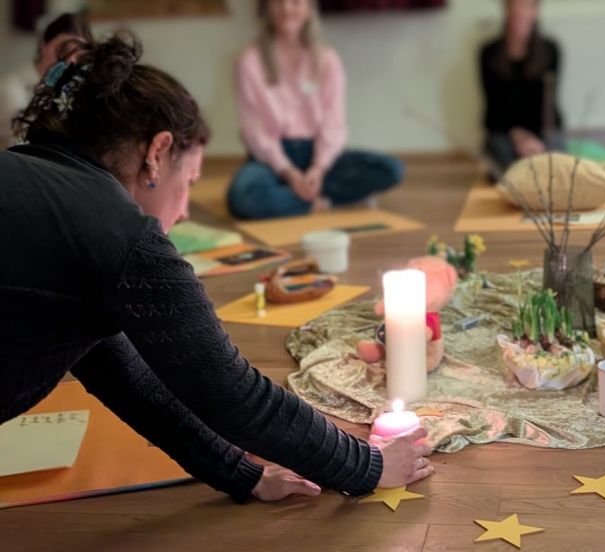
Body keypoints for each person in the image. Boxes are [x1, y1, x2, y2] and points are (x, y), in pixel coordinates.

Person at [1, 33, 433, 503]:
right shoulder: (118, 231)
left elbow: (123, 373)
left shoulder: (40, 187)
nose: (186, 208)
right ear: (157, 153)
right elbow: (232, 394)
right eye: (189, 180)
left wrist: (241, 475)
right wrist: (367, 465)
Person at [227, 0, 405, 220]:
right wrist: (288, 171)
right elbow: (254, 129)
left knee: (390, 169)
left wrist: (319, 168)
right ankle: (316, 201)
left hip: (318, 153)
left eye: (295, 2)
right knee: (242, 197)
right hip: (271, 160)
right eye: (278, 2)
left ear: (309, 9)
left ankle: (294, 197)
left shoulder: (328, 60)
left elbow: (334, 123)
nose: (287, 9)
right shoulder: (249, 61)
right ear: (267, 7)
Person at [479, 0, 563, 176]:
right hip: (504, 130)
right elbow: (493, 107)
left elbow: (548, 104)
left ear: (536, 10)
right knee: (509, 171)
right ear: (506, 9)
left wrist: (534, 139)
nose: (519, 11)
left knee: (556, 170)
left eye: (526, 5)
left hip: (542, 128)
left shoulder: (551, 50)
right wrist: (517, 135)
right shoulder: (488, 53)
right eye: (514, 5)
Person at [0, 12, 92, 145]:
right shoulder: (11, 91)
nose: (71, 61)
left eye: (80, 56)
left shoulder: (74, 91)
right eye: (64, 49)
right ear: (44, 46)